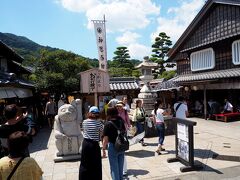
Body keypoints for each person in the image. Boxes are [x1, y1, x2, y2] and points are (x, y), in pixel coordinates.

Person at [79, 106, 104, 180]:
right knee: (96, 164)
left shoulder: (84, 122)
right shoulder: (98, 123)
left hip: (86, 143)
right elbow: (102, 133)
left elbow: (84, 131)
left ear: (89, 113)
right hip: (94, 144)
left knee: (84, 163)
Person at [102, 107, 126, 180]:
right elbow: (124, 132)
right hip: (121, 146)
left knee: (114, 168)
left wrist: (103, 149)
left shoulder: (107, 124)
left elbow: (105, 140)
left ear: (108, 114)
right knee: (120, 167)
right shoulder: (121, 121)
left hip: (113, 146)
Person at [115, 101, 130, 176]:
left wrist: (129, 127)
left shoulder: (125, 112)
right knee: (118, 149)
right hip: (116, 133)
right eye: (117, 106)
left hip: (123, 132)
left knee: (122, 150)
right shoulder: (115, 112)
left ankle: (124, 169)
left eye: (120, 106)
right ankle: (120, 167)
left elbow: (128, 121)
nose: (119, 107)